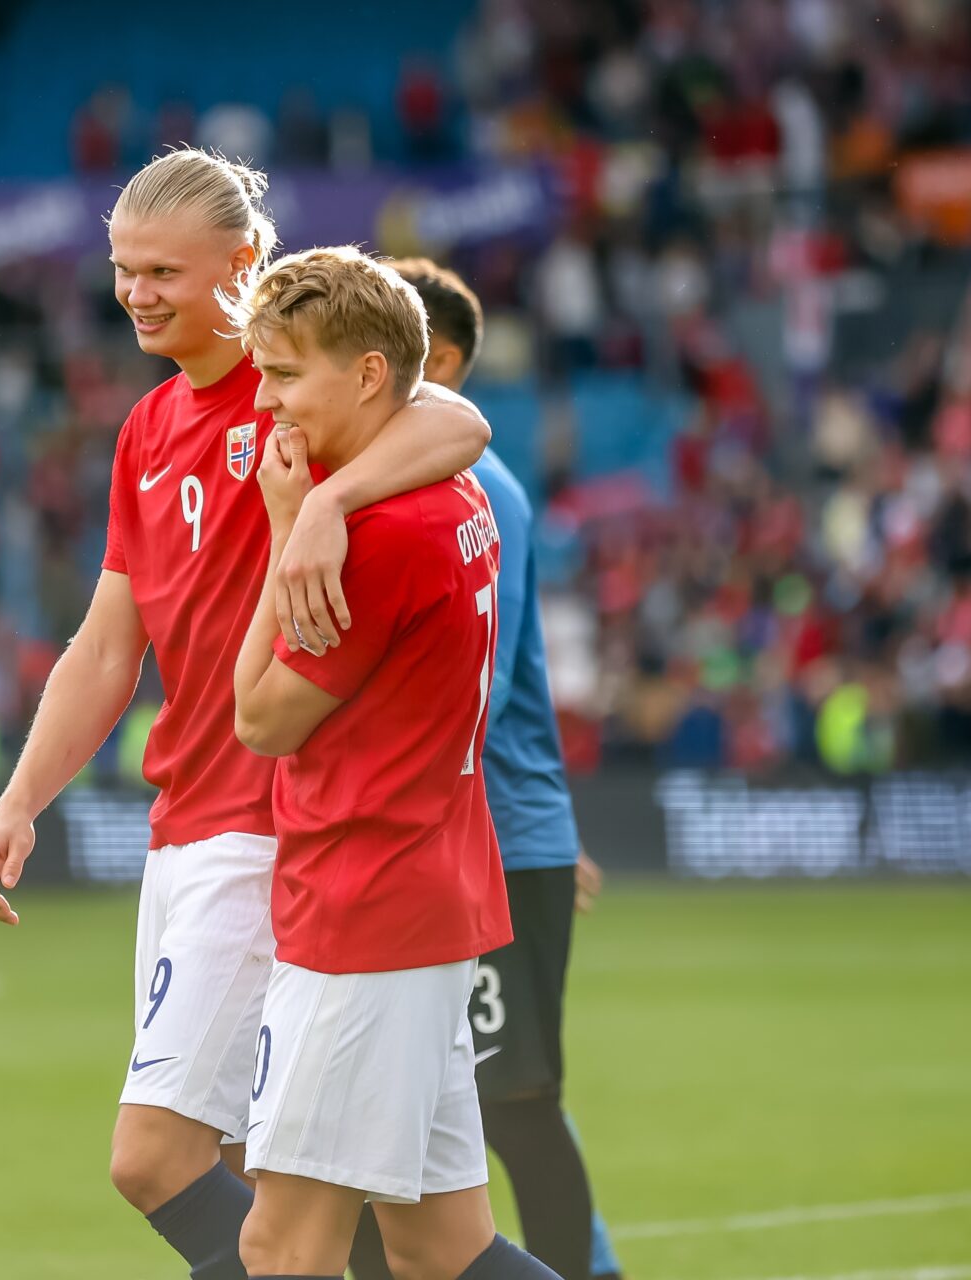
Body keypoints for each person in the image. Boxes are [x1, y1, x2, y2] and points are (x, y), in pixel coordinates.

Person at [0, 149, 491, 1280]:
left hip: (275, 826)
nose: (138, 292)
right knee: (378, 1226)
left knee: (160, 1159)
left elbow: (457, 425)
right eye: (122, 268)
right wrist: (21, 798)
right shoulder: (150, 427)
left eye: (163, 269)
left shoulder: (294, 391)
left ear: (245, 262)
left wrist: (325, 504)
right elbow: (111, 644)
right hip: (190, 819)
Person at [228, 245, 557, 1280]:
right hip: (427, 894)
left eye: (285, 376)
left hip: (362, 913)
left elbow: (260, 718)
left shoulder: (376, 532)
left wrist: (292, 525)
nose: (267, 402)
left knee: (281, 1245)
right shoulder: (448, 491)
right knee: (442, 1248)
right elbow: (455, 418)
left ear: (369, 375)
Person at [340, 259, 626, 1280]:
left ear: (440, 360)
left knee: (512, 1103)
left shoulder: (483, 488)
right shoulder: (386, 482)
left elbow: (480, 683)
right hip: (446, 840)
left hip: (487, 837)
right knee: (390, 1114)